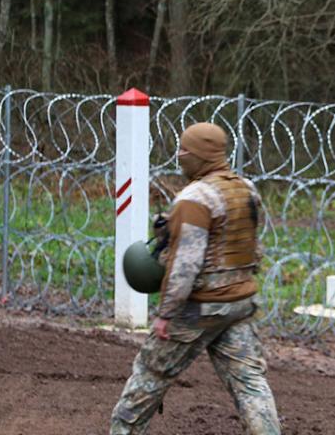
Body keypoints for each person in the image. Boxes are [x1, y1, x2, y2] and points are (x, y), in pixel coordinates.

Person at [110, 123, 280, 434]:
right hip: (240, 304)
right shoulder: (246, 188)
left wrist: (166, 314)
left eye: (184, 151)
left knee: (149, 375)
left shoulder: (194, 198)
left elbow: (185, 266)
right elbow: (251, 245)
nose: (179, 156)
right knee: (250, 384)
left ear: (200, 156)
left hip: (199, 307)